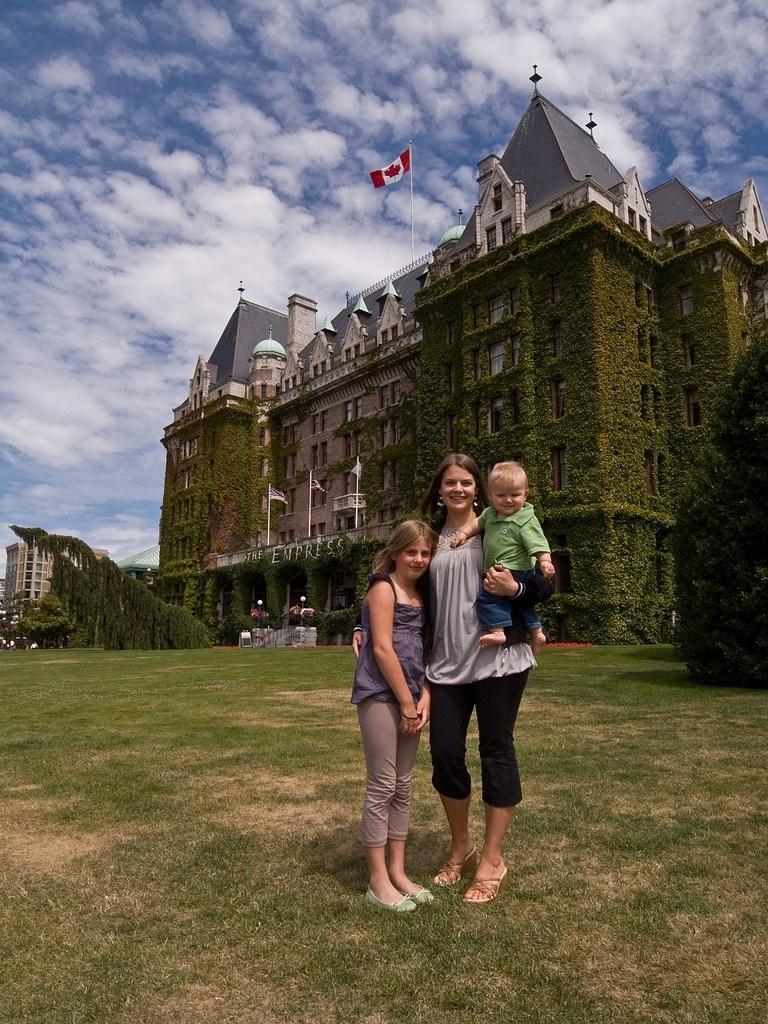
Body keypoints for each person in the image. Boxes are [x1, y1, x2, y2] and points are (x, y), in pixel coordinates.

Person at [418, 453, 549, 904]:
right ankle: (462, 844)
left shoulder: (501, 524)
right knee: (445, 754)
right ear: (439, 489)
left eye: (466, 483)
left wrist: (517, 589)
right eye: (450, 483)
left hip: (499, 661)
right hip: (447, 664)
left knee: (497, 750)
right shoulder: (428, 540)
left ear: (479, 489)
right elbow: (395, 583)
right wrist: (362, 625)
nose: (458, 490)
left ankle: (492, 857)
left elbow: (542, 583)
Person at [351, 519, 438, 912]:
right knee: (383, 784)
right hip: (381, 695)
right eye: (411, 552)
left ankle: (398, 871)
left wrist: (424, 697)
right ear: (396, 553)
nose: (418, 559)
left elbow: (426, 650)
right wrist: (405, 701)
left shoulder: (422, 593)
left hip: (412, 697)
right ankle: (377, 880)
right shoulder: (383, 588)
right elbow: (383, 649)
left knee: (403, 786)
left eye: (425, 553)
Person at [451, 460, 554, 654]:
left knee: (488, 597)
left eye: (514, 495)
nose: (508, 500)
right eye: (501, 495)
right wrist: (463, 534)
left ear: (526, 495)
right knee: (517, 603)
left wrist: (545, 561)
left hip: (514, 569)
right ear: (490, 496)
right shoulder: (490, 514)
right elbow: (476, 525)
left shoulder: (524, 519)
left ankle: (498, 630)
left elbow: (539, 543)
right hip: (507, 570)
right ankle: (537, 631)